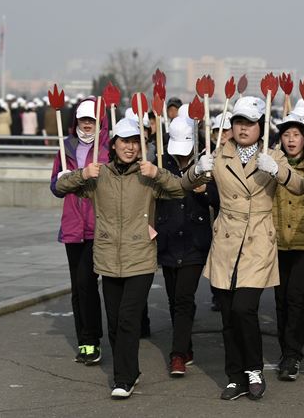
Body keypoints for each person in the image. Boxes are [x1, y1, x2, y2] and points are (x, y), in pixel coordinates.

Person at [181, 96, 304, 401]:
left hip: (259, 239)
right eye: (238, 122)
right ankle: (234, 376)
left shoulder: (273, 156)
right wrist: (197, 170)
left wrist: (278, 171)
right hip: (226, 238)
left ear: (260, 126)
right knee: (227, 315)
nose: (243, 128)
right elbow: (183, 186)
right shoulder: (218, 154)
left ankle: (254, 370)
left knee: (243, 308)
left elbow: (303, 188)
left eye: (249, 123)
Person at [56, 117, 185, 399]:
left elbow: (180, 189)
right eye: (125, 141)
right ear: (113, 144)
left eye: (136, 142)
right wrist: (83, 173)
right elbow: (59, 188)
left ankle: (123, 378)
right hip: (107, 257)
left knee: (128, 319)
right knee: (114, 322)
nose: (130, 147)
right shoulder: (98, 175)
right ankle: (132, 372)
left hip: (140, 257)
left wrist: (158, 173)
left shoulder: (148, 175)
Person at [156, 116, 219, 376]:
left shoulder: (208, 165)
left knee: (183, 297)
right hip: (168, 239)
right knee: (174, 300)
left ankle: (178, 354)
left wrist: (205, 189)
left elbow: (219, 200)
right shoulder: (160, 164)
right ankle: (186, 344)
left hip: (195, 240)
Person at [50, 98, 108, 366]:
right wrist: (68, 177)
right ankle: (86, 342)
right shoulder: (66, 148)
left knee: (91, 284)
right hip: (74, 227)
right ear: (75, 122)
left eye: (92, 121)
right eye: (83, 120)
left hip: (101, 226)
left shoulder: (109, 147)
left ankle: (100, 337)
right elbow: (55, 187)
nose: (87, 125)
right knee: (79, 287)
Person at [271, 113, 304, 381]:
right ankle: (286, 351)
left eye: (296, 134)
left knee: (297, 298)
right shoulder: (271, 162)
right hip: (277, 240)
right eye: (286, 135)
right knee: (280, 300)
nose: (291, 140)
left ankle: (293, 355)